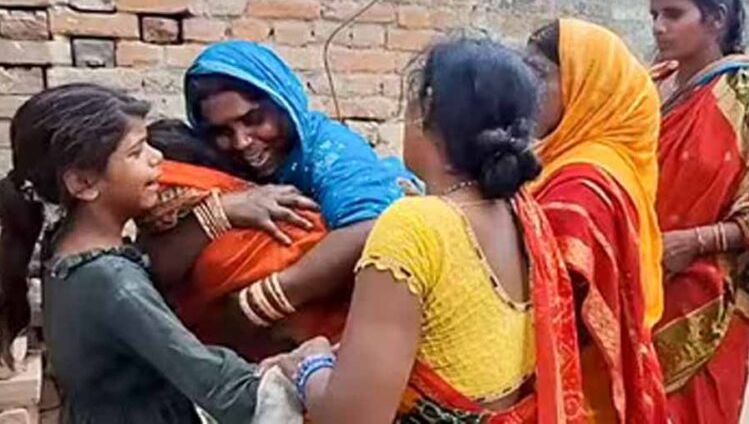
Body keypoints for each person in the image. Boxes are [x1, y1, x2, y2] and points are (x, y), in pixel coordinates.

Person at [270, 38, 588, 423]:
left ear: (425, 112)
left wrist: (311, 365)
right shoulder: (519, 211)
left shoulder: (416, 227)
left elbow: (353, 419)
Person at [139, 40, 419, 360]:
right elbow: (154, 262)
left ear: (283, 101)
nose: (242, 142)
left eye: (254, 119)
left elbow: (372, 227)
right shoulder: (221, 173)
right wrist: (224, 211)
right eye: (222, 132)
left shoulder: (329, 151)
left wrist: (259, 302)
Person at [0, 84, 263, 423]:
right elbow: (218, 388)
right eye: (136, 152)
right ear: (83, 183)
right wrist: (301, 374)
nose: (157, 157)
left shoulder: (65, 246)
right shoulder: (113, 281)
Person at [647, 0, 749, 423]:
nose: (659, 27)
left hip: (707, 306)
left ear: (716, 18)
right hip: (640, 285)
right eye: (654, 15)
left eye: (673, 14)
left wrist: (695, 241)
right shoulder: (653, 87)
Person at [526, 18, 667, 423]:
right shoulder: (572, 159)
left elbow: (559, 307)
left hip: (577, 393)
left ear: (586, 87)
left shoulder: (583, 186)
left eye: (541, 75)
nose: (528, 89)